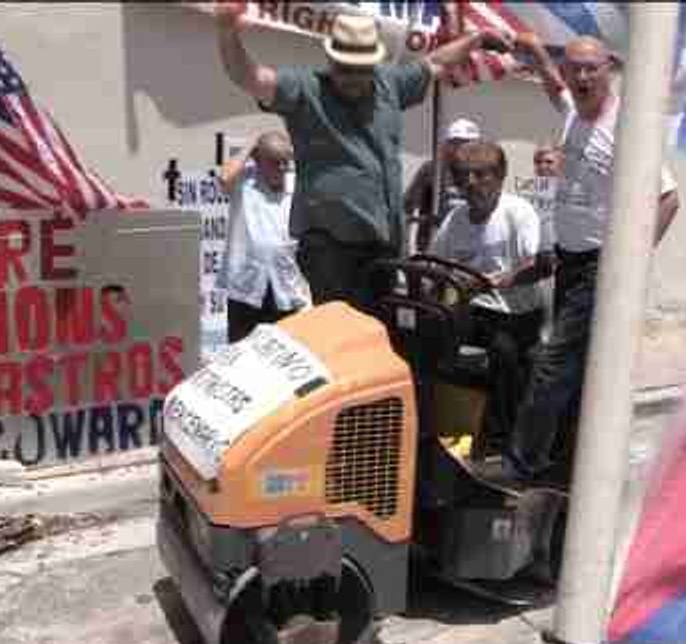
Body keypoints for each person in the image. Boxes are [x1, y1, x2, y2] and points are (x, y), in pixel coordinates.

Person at [214, 2, 512, 314]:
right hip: (331, 250)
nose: (353, 77)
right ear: (332, 60)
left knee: (380, 328)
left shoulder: (389, 84)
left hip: (384, 246)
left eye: (361, 69)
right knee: (343, 330)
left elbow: (436, 62)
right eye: (345, 68)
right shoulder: (307, 89)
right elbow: (251, 77)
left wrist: (476, 40)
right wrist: (226, 31)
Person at [500, 33, 681, 486]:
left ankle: (521, 465)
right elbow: (554, 89)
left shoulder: (624, 131)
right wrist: (537, 55)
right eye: (574, 68)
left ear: (609, 72)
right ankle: (570, 462)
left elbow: (668, 198)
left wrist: (630, 265)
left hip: (601, 265)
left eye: (591, 69)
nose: (582, 77)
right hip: (570, 261)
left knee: (552, 361)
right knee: (578, 369)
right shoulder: (573, 113)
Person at [430, 141, 553, 450]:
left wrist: (496, 282)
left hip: (516, 314)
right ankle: (439, 426)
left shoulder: (518, 212)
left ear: (499, 177)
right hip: (474, 310)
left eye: (480, 174)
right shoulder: (455, 219)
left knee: (504, 351)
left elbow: (539, 265)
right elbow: (434, 264)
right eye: (463, 175)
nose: (470, 183)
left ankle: (501, 441)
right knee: (425, 338)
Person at [217, 130, 310, 342]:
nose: (283, 168)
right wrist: (251, 145)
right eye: (275, 162)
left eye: (286, 161)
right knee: (243, 351)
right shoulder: (244, 181)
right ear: (258, 161)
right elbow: (224, 177)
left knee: (287, 350)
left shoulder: (296, 183)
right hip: (248, 286)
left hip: (286, 285)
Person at [404, 117, 482, 253]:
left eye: (471, 143)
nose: (466, 148)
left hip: (468, 251)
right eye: (459, 143)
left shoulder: (481, 173)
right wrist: (405, 250)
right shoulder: (432, 170)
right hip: (433, 250)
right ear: (448, 145)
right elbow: (406, 210)